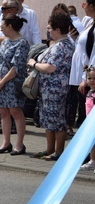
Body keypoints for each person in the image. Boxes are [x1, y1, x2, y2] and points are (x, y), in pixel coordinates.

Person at [29, 12, 75, 161]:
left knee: (57, 121)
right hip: (48, 90)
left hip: (56, 90)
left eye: (50, 28)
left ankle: (58, 152)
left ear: (58, 29)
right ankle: (50, 149)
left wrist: (34, 64)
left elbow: (50, 67)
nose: (48, 31)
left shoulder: (62, 46)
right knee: (49, 120)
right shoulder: (59, 44)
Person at [0, 14, 30, 155]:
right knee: (3, 112)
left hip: (12, 83)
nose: (1, 29)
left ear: (10, 26)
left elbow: (17, 67)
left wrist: (3, 81)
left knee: (15, 112)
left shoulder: (22, 43)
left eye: (2, 27)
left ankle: (19, 145)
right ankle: (5, 143)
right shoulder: (5, 41)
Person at [68, 0, 95, 136]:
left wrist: (87, 79)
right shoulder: (90, 22)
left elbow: (93, 54)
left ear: (91, 6)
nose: (83, 7)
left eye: (85, 4)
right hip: (83, 74)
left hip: (89, 77)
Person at [79, 67, 95, 172]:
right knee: (92, 143)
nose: (92, 80)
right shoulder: (89, 92)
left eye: (94, 78)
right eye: (89, 78)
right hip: (90, 123)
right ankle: (93, 161)